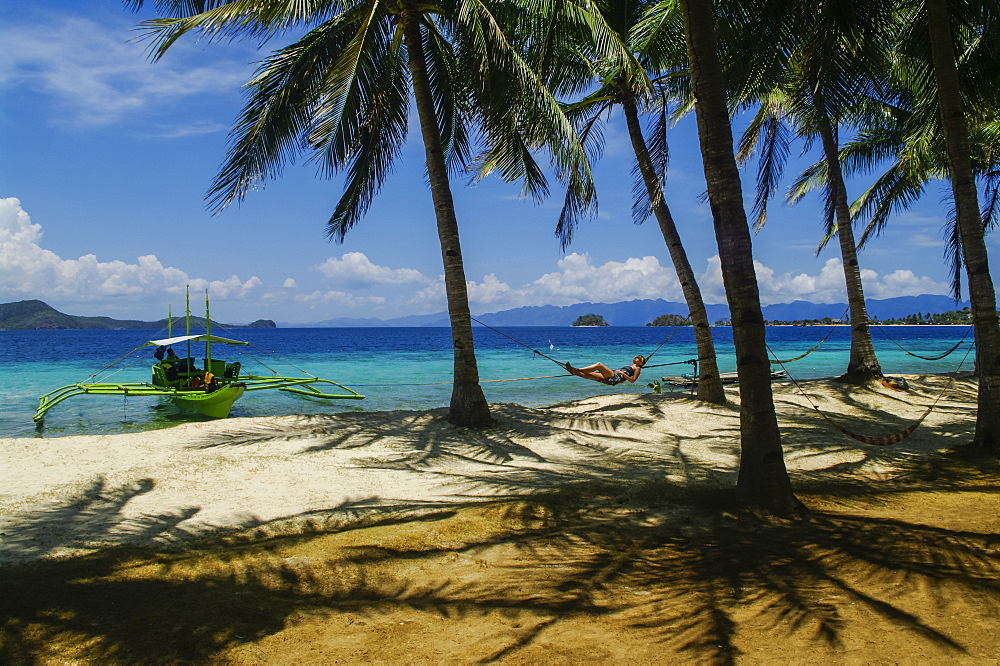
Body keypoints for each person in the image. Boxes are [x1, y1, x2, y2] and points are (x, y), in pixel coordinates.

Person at [565, 355, 646, 386]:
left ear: (641, 363)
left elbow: (632, 381)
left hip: (614, 377)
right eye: (636, 357)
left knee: (599, 365)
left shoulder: (638, 368)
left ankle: (578, 369)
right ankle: (574, 372)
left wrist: (622, 374)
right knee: (590, 375)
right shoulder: (628, 366)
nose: (636, 357)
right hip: (613, 377)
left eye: (639, 358)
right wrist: (622, 379)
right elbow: (625, 378)